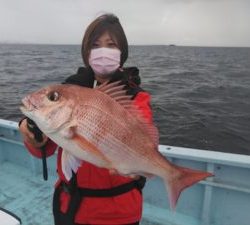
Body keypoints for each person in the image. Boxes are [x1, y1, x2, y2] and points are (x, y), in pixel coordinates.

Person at [19, 14, 154, 225]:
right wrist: (32, 132)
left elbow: (142, 140)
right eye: (95, 45)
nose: (103, 51)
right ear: (86, 52)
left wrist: (139, 169)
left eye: (111, 45)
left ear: (122, 52)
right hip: (71, 208)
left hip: (120, 212)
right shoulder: (70, 91)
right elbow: (44, 150)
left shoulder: (136, 97)